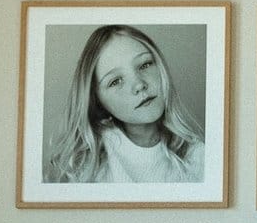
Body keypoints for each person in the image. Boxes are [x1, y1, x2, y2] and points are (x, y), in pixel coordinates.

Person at [45, 25, 205, 185]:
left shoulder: (200, 158)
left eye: (145, 65)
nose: (139, 85)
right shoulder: (83, 170)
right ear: (97, 100)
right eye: (115, 81)